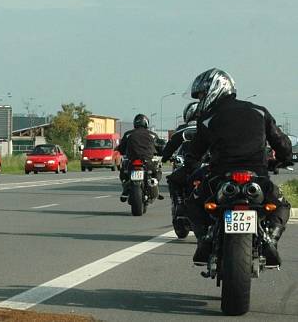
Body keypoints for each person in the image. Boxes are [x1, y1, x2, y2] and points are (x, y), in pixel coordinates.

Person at [184, 68, 294, 265]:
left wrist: (192, 168)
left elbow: (193, 153)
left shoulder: (208, 118)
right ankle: (271, 238)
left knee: (193, 203)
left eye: (202, 94)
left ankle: (204, 240)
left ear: (215, 88)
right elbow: (282, 142)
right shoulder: (259, 111)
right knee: (282, 205)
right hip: (257, 177)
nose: (201, 99)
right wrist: (284, 159)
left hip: (219, 177)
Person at [162, 102, 199, 221]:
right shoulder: (212, 126)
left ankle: (180, 203)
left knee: (173, 180)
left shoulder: (183, 129)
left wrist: (164, 157)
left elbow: (170, 147)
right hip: (211, 167)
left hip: (191, 166)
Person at [117, 114, 162, 202]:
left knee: (124, 172)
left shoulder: (128, 134)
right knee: (157, 171)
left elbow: (121, 149)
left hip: (132, 162)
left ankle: (125, 189)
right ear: (146, 123)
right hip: (148, 162)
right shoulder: (152, 135)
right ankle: (154, 184)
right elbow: (160, 148)